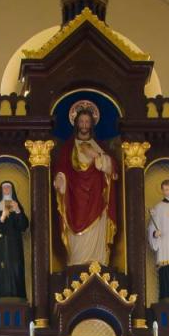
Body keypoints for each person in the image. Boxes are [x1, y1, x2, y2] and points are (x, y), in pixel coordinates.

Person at [53, 100, 118, 266]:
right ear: (76, 123)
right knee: (77, 241)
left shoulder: (99, 146)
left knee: (97, 231)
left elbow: (112, 169)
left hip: (97, 197)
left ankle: (98, 262)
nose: (84, 125)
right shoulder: (68, 147)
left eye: (87, 122)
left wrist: (96, 155)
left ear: (91, 124)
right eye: (81, 121)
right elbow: (62, 167)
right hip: (75, 199)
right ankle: (77, 262)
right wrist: (60, 179)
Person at [0, 180, 29, 300]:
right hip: (2, 244)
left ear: (12, 190)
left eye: (8, 188)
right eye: (4, 188)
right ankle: (3, 296)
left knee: (16, 267)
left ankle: (18, 296)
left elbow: (24, 225)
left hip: (15, 244)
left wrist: (18, 210)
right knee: (3, 268)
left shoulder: (17, 205)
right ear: (1, 190)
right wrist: (2, 216)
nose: (6, 190)